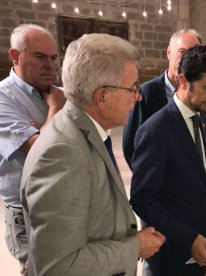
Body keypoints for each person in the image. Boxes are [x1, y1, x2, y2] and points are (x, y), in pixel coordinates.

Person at [20, 33, 165, 275]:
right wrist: (134, 247)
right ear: (102, 96)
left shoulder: (88, 132)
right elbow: (58, 266)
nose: (137, 97)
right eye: (132, 88)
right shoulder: (61, 154)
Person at [130, 45, 206, 276]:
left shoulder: (205, 119)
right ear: (184, 80)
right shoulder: (155, 130)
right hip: (172, 252)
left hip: (201, 243)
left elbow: (203, 176)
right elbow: (142, 199)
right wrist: (189, 239)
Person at [0, 23, 66, 276]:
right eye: (40, 57)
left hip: (59, 206)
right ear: (15, 56)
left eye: (53, 58)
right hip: (27, 215)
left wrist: (43, 127)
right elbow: (43, 152)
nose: (50, 65)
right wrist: (55, 110)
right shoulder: (4, 98)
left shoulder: (53, 93)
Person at [123, 28, 201, 167]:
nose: (186, 60)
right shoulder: (145, 94)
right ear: (169, 52)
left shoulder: (198, 96)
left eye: (192, 55)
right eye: (182, 52)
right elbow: (130, 146)